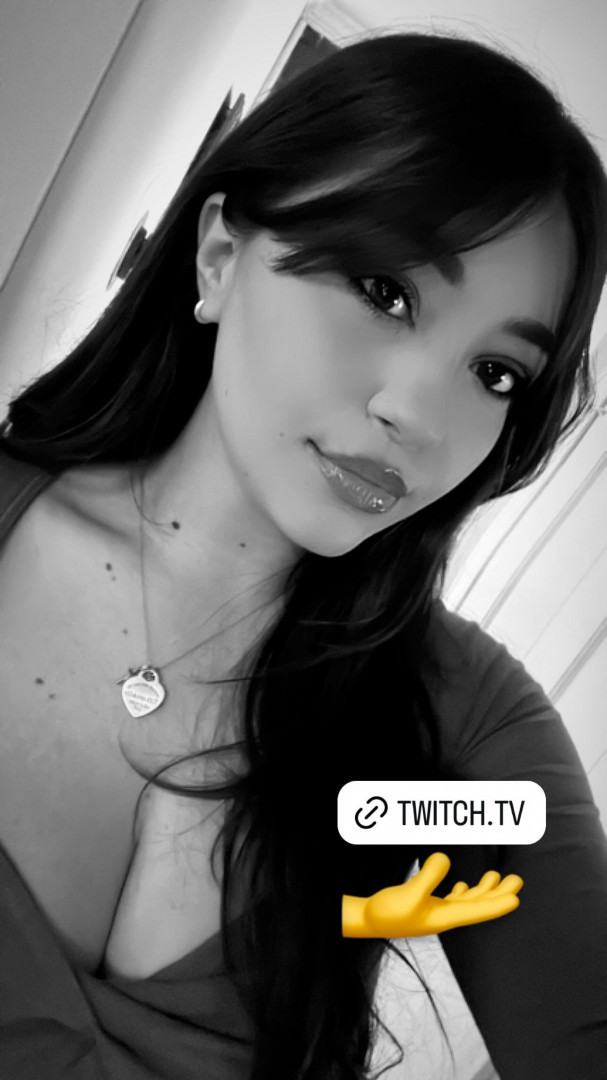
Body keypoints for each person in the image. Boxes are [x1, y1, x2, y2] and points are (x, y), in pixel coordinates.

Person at [0, 29, 606, 1080]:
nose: (418, 415)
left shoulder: (465, 728)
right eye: (384, 291)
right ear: (219, 257)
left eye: (496, 373)